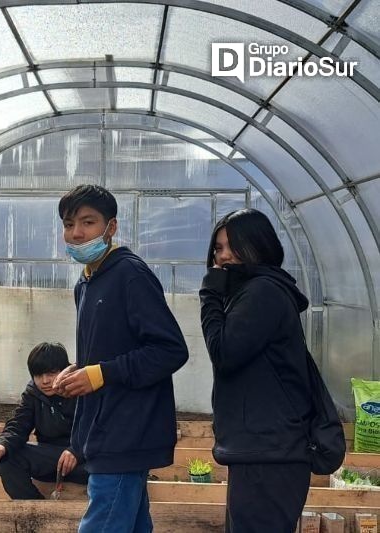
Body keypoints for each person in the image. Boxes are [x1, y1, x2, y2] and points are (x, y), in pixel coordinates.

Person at [52, 184, 188, 533]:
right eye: (69, 224)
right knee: (132, 524)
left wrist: (100, 374)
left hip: (128, 429)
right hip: (105, 426)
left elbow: (169, 349)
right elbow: (107, 353)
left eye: (88, 222)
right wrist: (81, 371)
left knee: (104, 523)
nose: (77, 233)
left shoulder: (130, 275)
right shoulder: (86, 283)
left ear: (111, 227)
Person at [200, 208, 314, 532]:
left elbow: (223, 352)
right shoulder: (256, 291)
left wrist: (210, 293)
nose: (223, 256)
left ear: (259, 245)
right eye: (218, 248)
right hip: (265, 451)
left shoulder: (262, 292)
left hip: (269, 455)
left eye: (233, 246)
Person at [0, 342, 88, 499]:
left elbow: (97, 427)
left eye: (51, 373)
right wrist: (2, 444)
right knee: (5, 457)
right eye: (38, 375)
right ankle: (36, 510)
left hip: (85, 461)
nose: (44, 381)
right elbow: (18, 424)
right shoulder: (33, 394)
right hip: (52, 459)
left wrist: (76, 450)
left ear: (65, 370)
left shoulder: (82, 388)